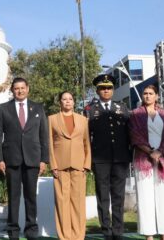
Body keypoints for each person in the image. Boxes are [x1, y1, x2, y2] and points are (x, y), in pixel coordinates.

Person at [0, 77, 49, 240]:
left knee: (31, 197)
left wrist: (44, 159)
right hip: (11, 160)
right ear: (12, 90)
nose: (20, 91)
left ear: (28, 89)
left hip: (33, 159)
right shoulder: (3, 108)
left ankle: (31, 231)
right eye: (16, 88)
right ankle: (13, 232)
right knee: (13, 197)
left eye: (22, 88)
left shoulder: (38, 108)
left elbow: (43, 136)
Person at [128, 85, 164, 240]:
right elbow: (134, 136)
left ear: (156, 96)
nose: (147, 96)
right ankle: (149, 234)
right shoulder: (135, 114)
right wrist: (150, 151)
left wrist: (160, 152)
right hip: (143, 159)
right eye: (145, 93)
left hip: (163, 159)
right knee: (145, 197)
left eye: (151, 93)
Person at [86, 74, 131, 240]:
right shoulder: (90, 110)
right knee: (103, 196)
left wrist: (129, 155)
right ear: (98, 91)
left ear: (113, 90)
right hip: (100, 159)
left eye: (109, 88)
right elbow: (86, 137)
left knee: (118, 196)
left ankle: (118, 231)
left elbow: (130, 133)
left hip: (120, 159)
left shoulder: (123, 108)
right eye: (103, 88)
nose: (106, 90)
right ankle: (106, 230)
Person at [48, 91, 91, 240]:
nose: (67, 101)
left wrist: (86, 164)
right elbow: (50, 144)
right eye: (64, 99)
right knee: (62, 202)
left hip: (79, 166)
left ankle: (79, 236)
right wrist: (53, 165)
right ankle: (65, 237)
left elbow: (87, 143)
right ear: (60, 102)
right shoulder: (52, 119)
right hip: (60, 167)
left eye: (70, 99)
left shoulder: (83, 120)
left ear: (74, 102)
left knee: (78, 203)